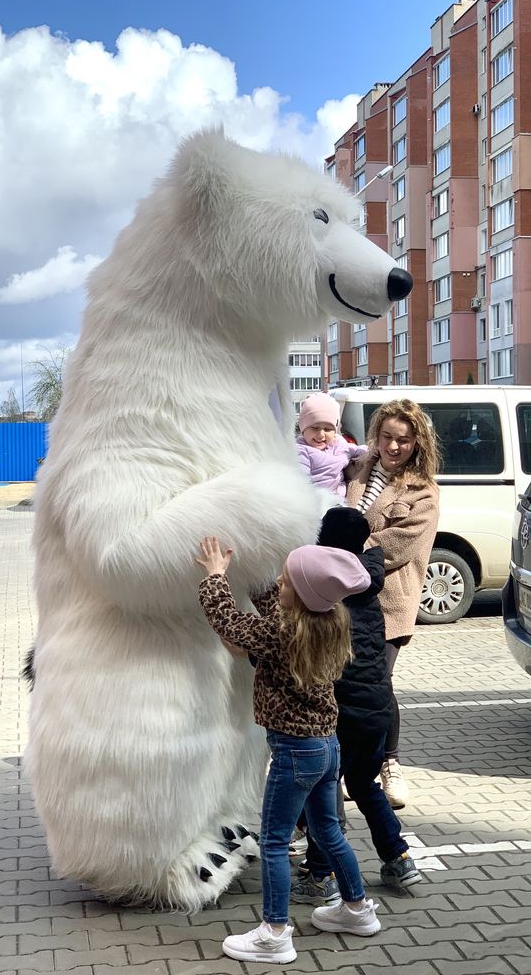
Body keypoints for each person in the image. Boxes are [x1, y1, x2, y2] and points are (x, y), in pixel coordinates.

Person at [196, 537, 381, 965]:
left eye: (284, 581)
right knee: (329, 831)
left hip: (295, 753)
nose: (278, 583)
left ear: (298, 596)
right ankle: (356, 910)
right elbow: (281, 603)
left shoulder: (280, 631)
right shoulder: (329, 618)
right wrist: (258, 570)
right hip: (326, 746)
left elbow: (232, 625)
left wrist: (215, 577)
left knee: (276, 841)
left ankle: (275, 933)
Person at [290, 507, 422, 905]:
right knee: (365, 784)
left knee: (324, 787)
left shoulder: (326, 590)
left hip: (342, 710)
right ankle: (398, 858)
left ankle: (320, 873)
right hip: (378, 706)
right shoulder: (367, 581)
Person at [345, 399, 440, 809]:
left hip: (388, 603)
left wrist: (341, 545)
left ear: (416, 441)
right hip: (346, 595)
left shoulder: (423, 492)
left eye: (402, 439)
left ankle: (390, 765)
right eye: (387, 437)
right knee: (347, 685)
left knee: (378, 686)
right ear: (376, 436)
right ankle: (354, 768)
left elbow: (396, 547)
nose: (394, 446)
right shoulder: (357, 470)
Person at [296, 392, 367, 498]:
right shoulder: (301, 450)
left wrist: (376, 451)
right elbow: (300, 482)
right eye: (314, 428)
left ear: (335, 431)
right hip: (317, 502)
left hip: (342, 497)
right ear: (303, 429)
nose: (321, 435)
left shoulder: (339, 443)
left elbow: (358, 450)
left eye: (327, 429)